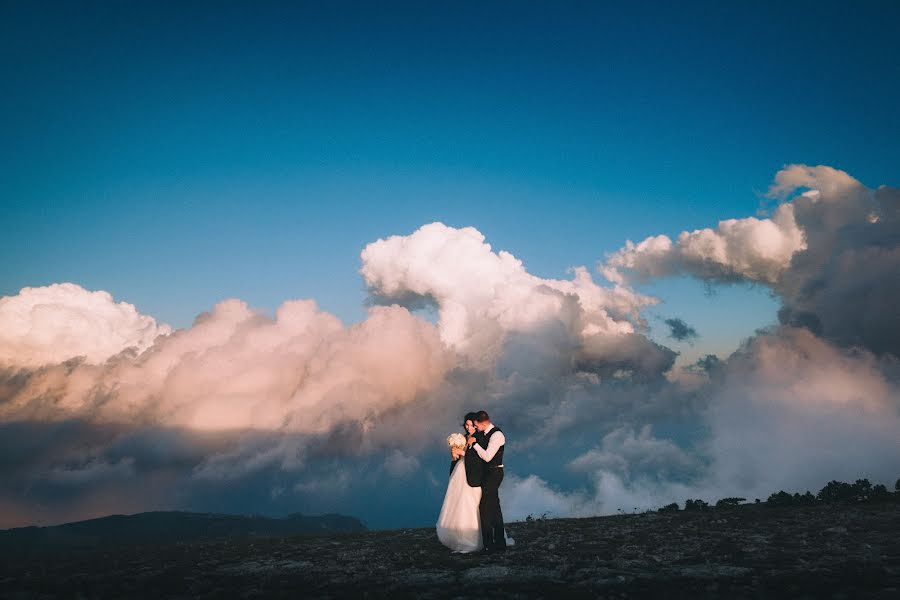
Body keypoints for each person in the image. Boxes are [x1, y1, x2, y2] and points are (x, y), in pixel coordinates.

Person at [436, 413, 485, 553]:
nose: (469, 428)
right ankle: (458, 538)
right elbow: (458, 459)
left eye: (471, 425)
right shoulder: (464, 438)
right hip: (460, 472)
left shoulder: (480, 438)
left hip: (472, 474)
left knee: (469, 502)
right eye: (467, 425)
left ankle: (473, 539)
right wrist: (455, 455)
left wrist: (463, 453)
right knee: (456, 501)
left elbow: (478, 458)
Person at [468, 410, 507, 552]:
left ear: (482, 423)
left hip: (495, 473)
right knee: (495, 508)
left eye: (476, 425)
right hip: (488, 474)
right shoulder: (485, 434)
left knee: (485, 508)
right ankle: (500, 543)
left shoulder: (497, 435)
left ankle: (488, 545)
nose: (475, 427)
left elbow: (488, 457)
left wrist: (475, 444)